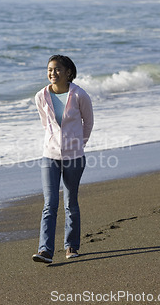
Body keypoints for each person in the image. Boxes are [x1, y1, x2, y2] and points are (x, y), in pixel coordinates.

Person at [32, 55, 94, 263]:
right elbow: (45, 123)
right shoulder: (41, 96)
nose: (52, 73)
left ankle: (71, 246)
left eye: (57, 69)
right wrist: (56, 143)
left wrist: (77, 144)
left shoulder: (79, 95)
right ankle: (45, 251)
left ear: (68, 72)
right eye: (50, 69)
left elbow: (88, 123)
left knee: (70, 203)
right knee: (50, 204)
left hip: (74, 157)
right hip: (49, 155)